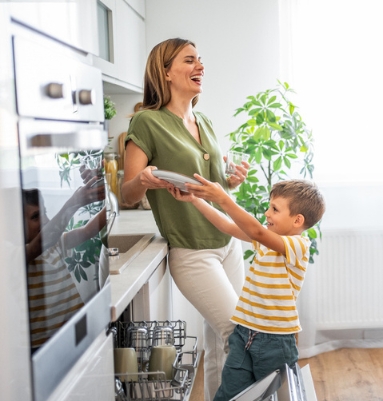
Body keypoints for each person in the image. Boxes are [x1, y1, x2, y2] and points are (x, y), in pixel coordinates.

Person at [120, 38, 247, 400]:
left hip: (227, 243)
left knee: (220, 336)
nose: (200, 67)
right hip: (192, 251)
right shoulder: (146, 122)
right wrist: (142, 181)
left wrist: (231, 178)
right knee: (237, 335)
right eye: (189, 60)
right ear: (165, 72)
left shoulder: (202, 119)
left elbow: (213, 183)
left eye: (200, 60)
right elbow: (126, 195)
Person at [167, 177, 325, 401]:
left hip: (275, 341)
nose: (267, 213)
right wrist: (194, 200)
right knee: (230, 394)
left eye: (275, 209)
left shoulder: (298, 245)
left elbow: (257, 233)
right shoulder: (266, 239)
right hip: (244, 334)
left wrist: (223, 198)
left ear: (297, 220)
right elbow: (228, 226)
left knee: (281, 396)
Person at [22, 179, 106, 350]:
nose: (44, 220)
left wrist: (114, 202)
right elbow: (38, 245)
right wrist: (73, 203)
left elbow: (88, 231)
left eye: (44, 212)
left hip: (74, 331)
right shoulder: (20, 254)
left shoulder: (55, 244)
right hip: (43, 345)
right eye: (35, 216)